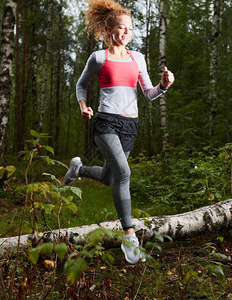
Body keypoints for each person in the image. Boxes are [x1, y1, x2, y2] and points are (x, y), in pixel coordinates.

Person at [64, 0, 175, 264]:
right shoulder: (99, 57)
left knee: (109, 178)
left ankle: (78, 170)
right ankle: (129, 235)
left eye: (130, 28)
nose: (126, 32)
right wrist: (83, 105)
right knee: (124, 173)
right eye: (121, 28)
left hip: (130, 125)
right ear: (108, 29)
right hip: (106, 123)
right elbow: (82, 85)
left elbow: (148, 94)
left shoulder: (138, 58)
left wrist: (163, 85)